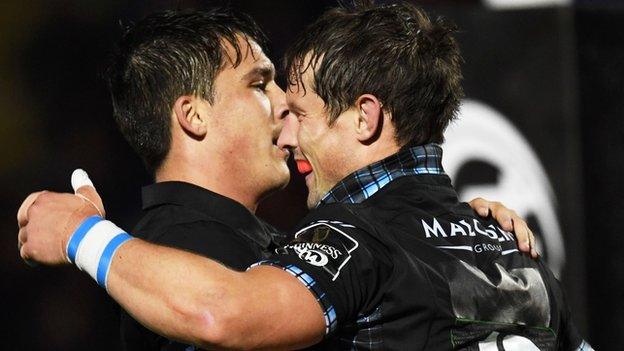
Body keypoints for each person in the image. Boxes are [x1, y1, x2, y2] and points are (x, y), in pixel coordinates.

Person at [18, 2, 589, 350]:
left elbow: (225, 311)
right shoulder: (510, 252)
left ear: (364, 116)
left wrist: (82, 235)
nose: (284, 126)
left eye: (298, 107)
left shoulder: (350, 236)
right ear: (191, 115)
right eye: (261, 86)